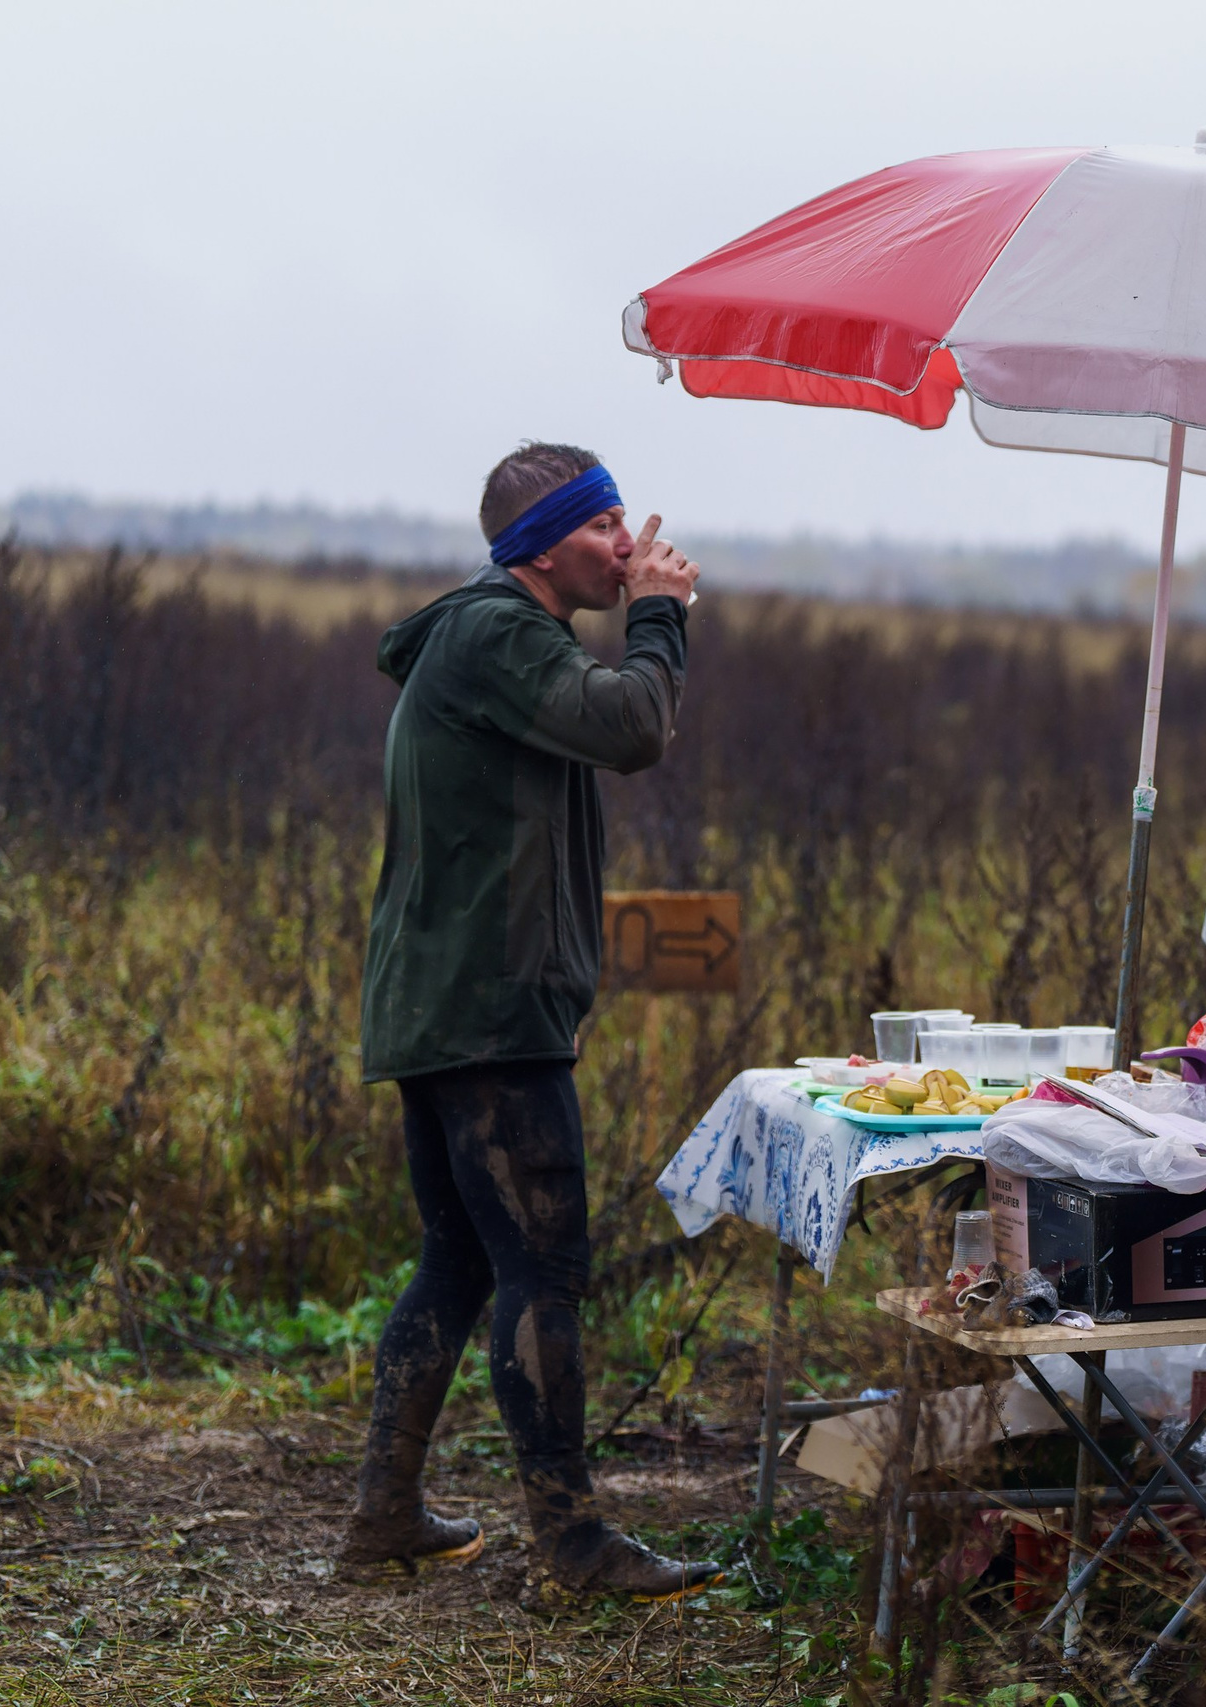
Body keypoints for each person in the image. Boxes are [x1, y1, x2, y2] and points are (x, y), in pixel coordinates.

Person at [341, 442, 722, 1611]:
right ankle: (571, 1544)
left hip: (453, 1005)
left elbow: (596, 727)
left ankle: (385, 1514)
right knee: (544, 1265)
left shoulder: (492, 640)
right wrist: (658, 619)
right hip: (490, 1012)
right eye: (607, 525)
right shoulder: (500, 633)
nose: (628, 542)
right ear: (547, 543)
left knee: (464, 1256)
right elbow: (633, 730)